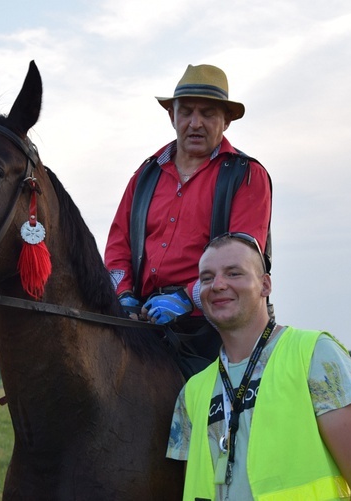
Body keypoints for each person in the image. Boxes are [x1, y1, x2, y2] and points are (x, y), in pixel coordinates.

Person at [167, 233, 351, 500]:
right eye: (207, 277)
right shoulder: (192, 391)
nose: (217, 285)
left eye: (234, 273)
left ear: (265, 285)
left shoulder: (315, 355)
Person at [105, 63, 272, 367]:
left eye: (208, 114)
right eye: (186, 112)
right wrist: (124, 294)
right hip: (142, 319)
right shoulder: (144, 175)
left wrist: (186, 297)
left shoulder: (247, 175)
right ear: (172, 116)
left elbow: (243, 260)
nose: (195, 123)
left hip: (215, 325)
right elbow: (118, 248)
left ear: (227, 120)